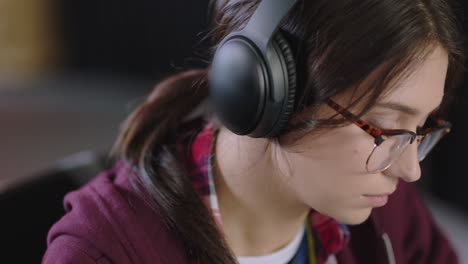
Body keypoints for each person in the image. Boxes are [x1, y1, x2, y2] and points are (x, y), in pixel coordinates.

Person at [42, 0, 466, 263]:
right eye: (386, 125)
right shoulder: (106, 254)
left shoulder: (387, 214)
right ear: (269, 92)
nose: (410, 170)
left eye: (419, 128)